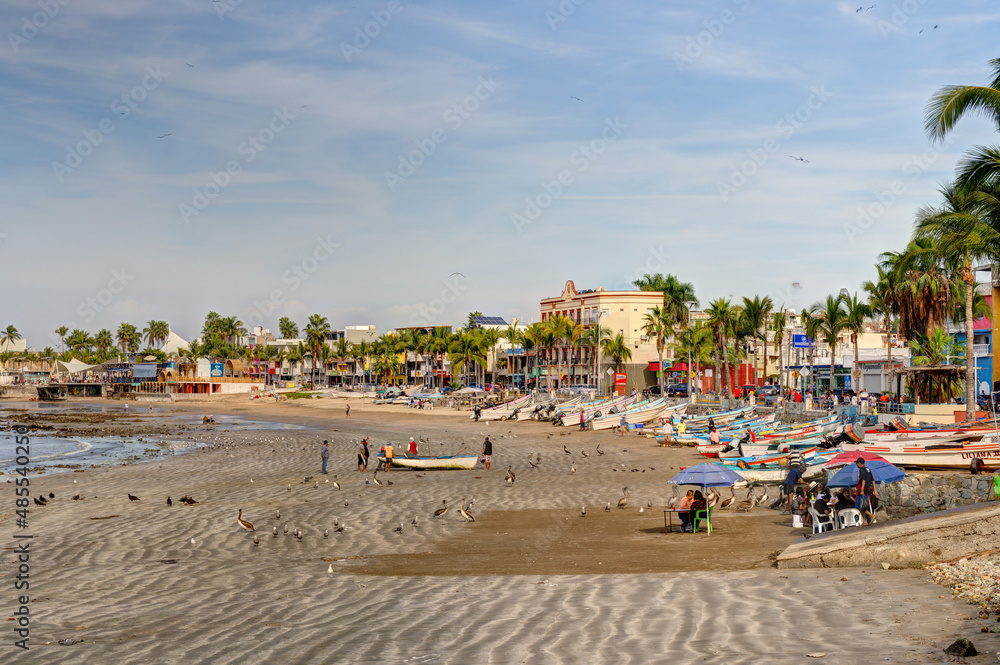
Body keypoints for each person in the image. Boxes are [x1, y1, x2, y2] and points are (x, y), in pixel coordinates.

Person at [855, 458, 877, 525]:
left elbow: (863, 480)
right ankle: (865, 521)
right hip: (866, 489)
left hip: (862, 490)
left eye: (857, 463)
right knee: (862, 505)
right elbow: (873, 480)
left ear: (859, 463)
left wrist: (861, 490)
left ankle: (871, 516)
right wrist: (875, 491)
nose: (856, 465)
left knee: (860, 505)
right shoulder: (868, 469)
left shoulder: (861, 470)